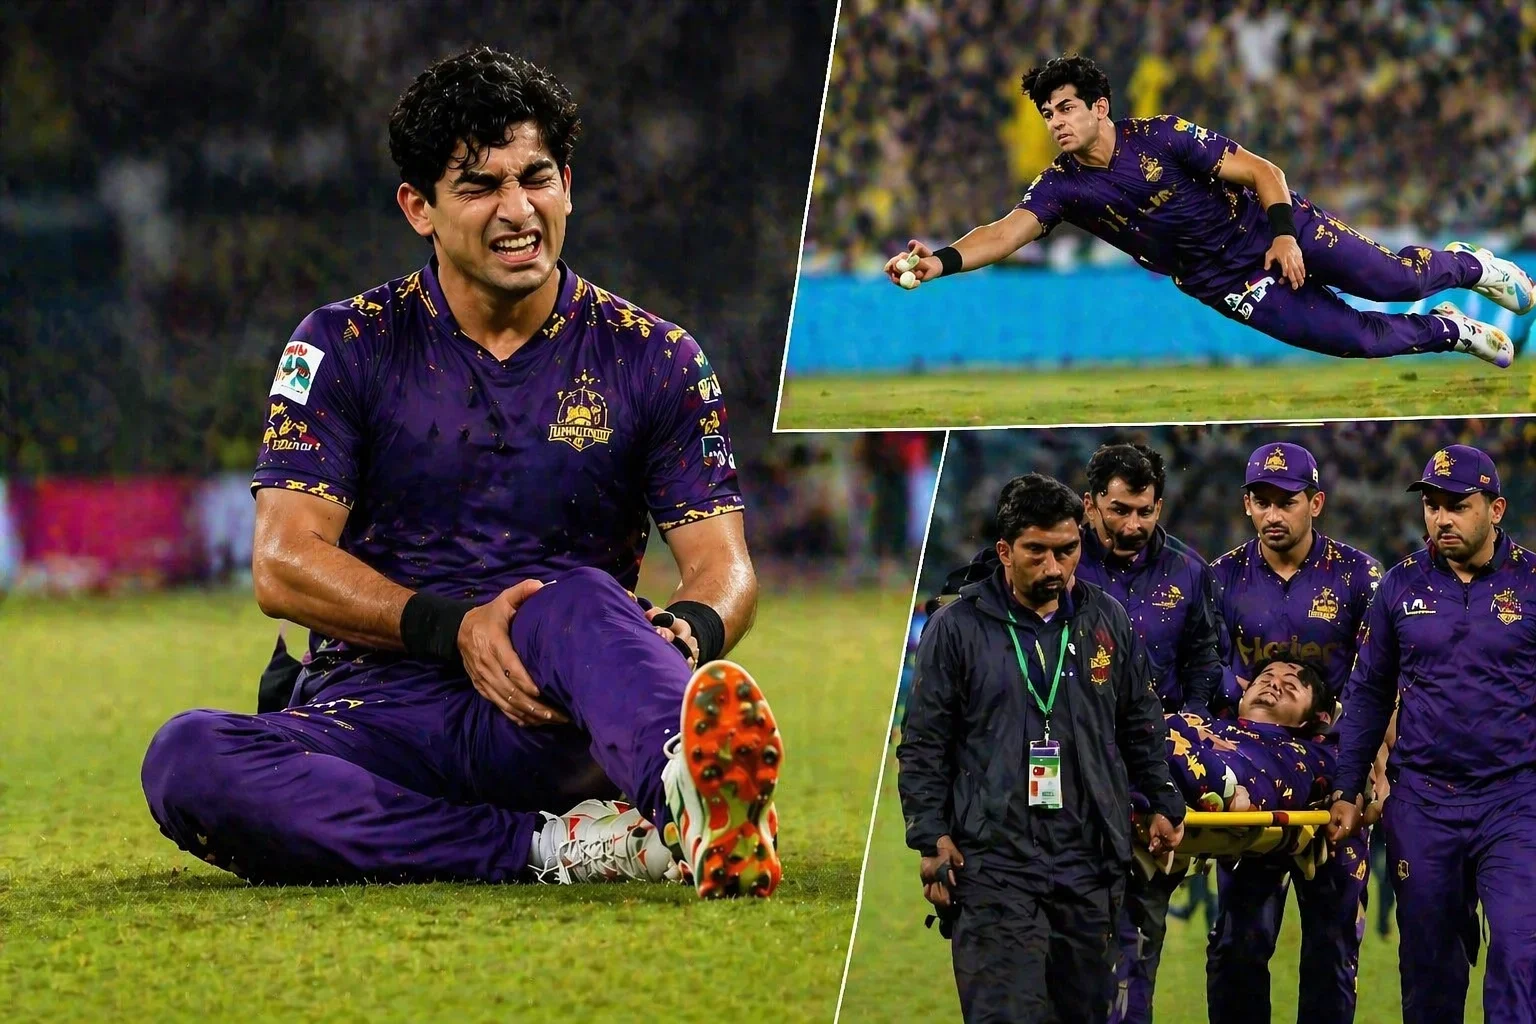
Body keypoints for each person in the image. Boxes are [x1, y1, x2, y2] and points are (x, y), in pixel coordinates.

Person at [138, 48, 782, 899]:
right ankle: (556, 849)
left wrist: (690, 633)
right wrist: (458, 628)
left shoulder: (654, 357)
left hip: (551, 718)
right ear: (420, 208)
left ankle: (689, 790)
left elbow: (724, 566)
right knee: (189, 759)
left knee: (583, 598)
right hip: (377, 711)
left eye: (537, 177)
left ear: (568, 185)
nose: (518, 210)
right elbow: (283, 560)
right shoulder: (344, 344)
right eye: (480, 185)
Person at [887, 54, 1529, 368]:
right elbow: (1004, 234)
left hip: (1279, 228)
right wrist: (938, 261)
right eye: (1047, 113)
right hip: (1226, 282)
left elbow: (1263, 171)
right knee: (1355, 341)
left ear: (1100, 105)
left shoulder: (1162, 135)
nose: (1055, 121)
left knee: (1395, 281)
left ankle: (1470, 267)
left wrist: (1284, 238)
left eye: (1065, 107)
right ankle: (1450, 330)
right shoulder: (1061, 188)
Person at [898, 473, 1184, 1024]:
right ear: (1005, 550)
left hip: (1088, 860)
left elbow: (1139, 722)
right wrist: (929, 838)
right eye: (1037, 552)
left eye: (1067, 550)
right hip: (994, 862)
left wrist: (1163, 801)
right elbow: (924, 744)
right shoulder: (956, 628)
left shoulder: (1106, 619)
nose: (1054, 568)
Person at [1328, 445, 1536, 1022]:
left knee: (1523, 954)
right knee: (1430, 971)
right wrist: (1347, 789)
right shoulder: (1398, 587)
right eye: (1432, 505)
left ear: (1495, 510)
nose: (1440, 518)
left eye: (1457, 506)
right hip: (1423, 801)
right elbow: (1368, 692)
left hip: (1515, 801)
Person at [1205, 442, 1381, 1024]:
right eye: (1263, 500)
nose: (1274, 514)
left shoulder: (1360, 576)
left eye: (1289, 501)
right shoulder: (1220, 577)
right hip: (1251, 782)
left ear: (1317, 503)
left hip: (1336, 779)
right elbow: (1204, 677)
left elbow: (1382, 681)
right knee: (1237, 943)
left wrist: (1372, 770)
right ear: (1247, 505)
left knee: (1332, 949)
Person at [1070, 442, 1224, 1024]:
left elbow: (1205, 664)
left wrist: (1183, 744)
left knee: (1136, 942)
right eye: (1118, 510)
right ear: (1090, 505)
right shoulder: (1061, 562)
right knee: (1072, 943)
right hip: (1071, 777)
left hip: (1153, 783)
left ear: (1160, 506)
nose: (1132, 525)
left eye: (1145, 510)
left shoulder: (1188, 571)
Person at [1163, 659, 1334, 815]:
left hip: (1239, 783)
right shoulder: (1204, 721)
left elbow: (1353, 759)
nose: (1273, 683)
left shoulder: (1310, 753)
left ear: (1315, 717)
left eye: (1290, 685)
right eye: (1265, 678)